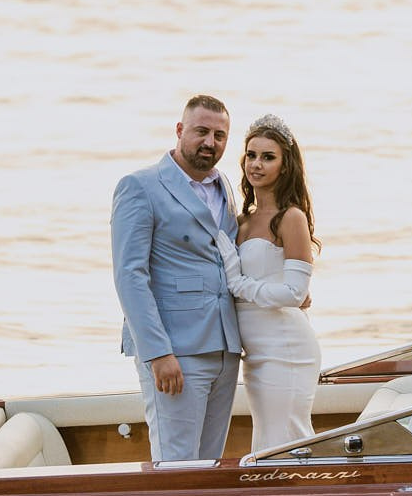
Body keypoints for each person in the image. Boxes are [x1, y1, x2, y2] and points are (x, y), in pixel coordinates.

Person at [111, 95, 242, 467]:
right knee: (177, 465)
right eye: (201, 131)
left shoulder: (224, 187)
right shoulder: (140, 187)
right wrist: (157, 353)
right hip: (176, 352)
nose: (210, 142)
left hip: (225, 347)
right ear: (180, 130)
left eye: (219, 135)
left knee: (211, 464)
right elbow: (129, 275)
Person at [213, 114, 321, 456]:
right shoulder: (239, 220)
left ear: (285, 166)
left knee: (285, 439)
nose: (256, 164)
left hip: (285, 347)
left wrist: (239, 284)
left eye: (268, 157)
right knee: (267, 436)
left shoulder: (291, 218)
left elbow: (295, 293)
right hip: (254, 350)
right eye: (251, 155)